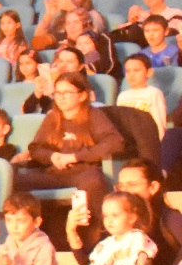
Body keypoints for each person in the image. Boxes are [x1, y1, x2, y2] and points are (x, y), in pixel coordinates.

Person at [14, 72, 127, 211]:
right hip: (53, 174)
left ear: (82, 95)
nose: (61, 98)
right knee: (11, 181)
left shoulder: (94, 115)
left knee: (94, 182)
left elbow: (115, 142)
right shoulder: (52, 117)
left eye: (67, 92)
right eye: (57, 93)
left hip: (84, 172)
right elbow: (36, 148)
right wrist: (52, 156)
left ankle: (101, 228)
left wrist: (75, 156)